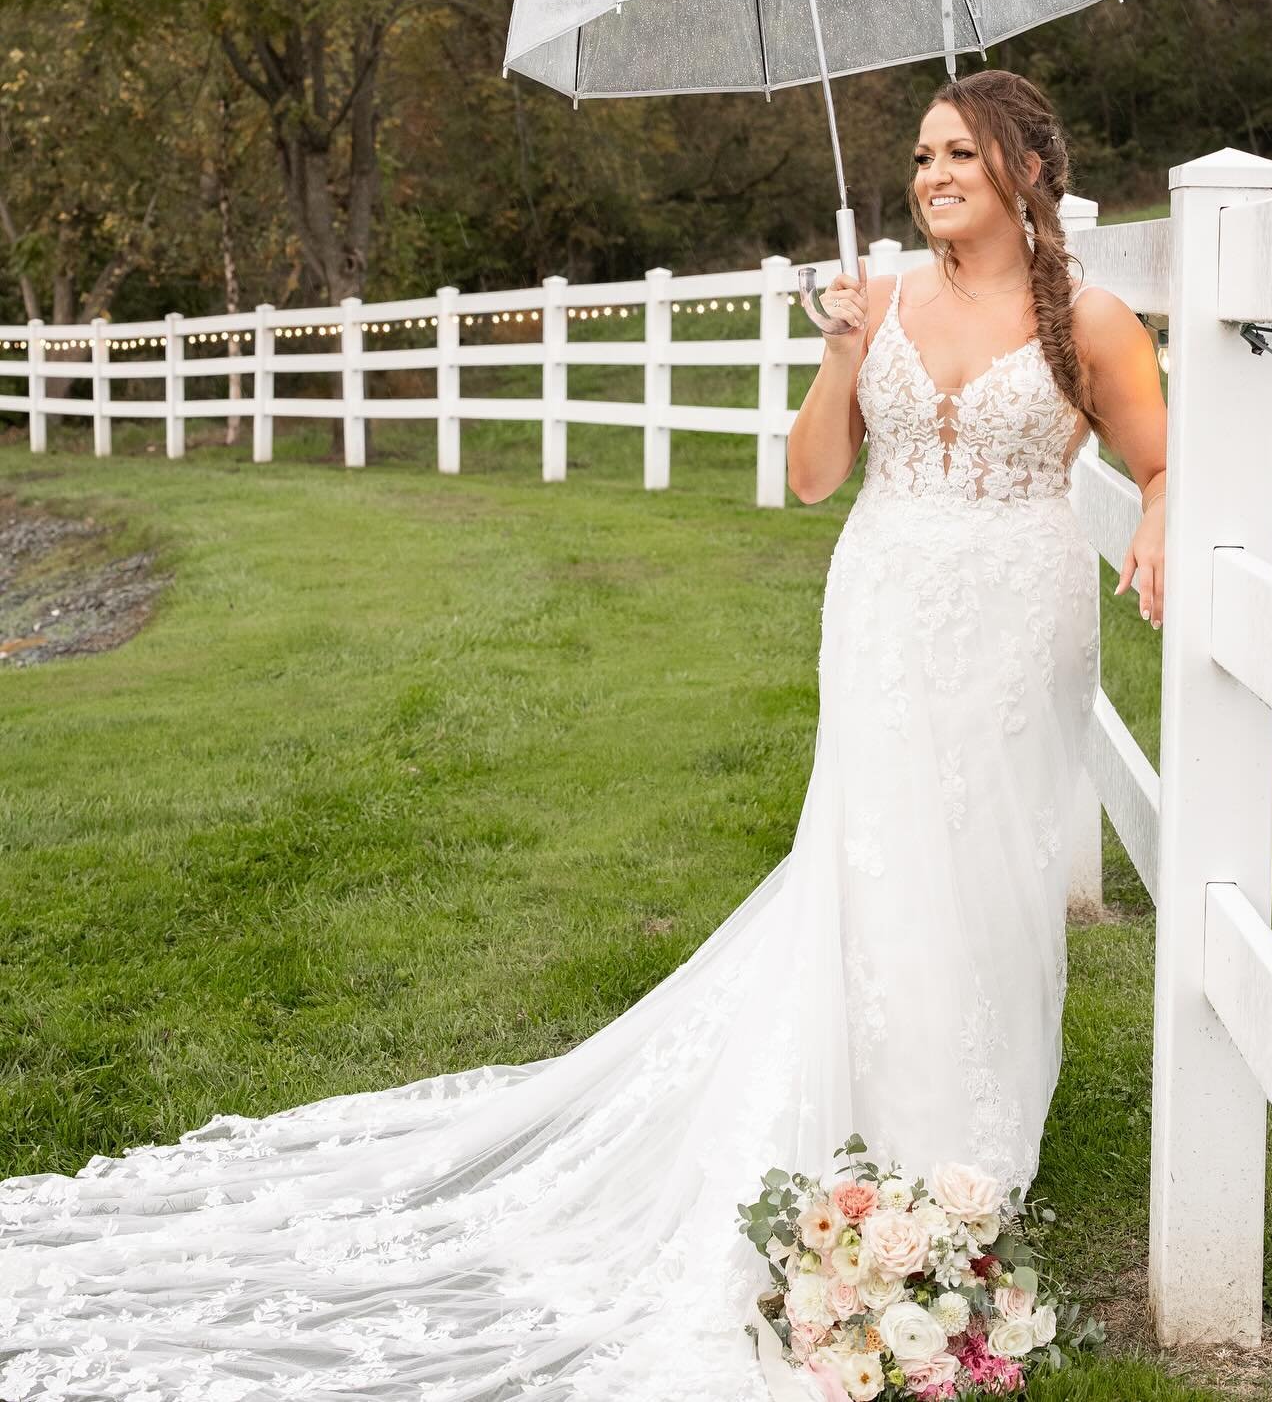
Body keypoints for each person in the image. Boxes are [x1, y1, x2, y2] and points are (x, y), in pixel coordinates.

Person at [0, 70, 1166, 1402]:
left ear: (1026, 169)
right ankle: (887, 1161)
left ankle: (972, 1156)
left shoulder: (1097, 322)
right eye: (919, 153)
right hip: (888, 607)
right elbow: (810, 478)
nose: (931, 172)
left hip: (1021, 618)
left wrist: (1161, 514)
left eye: (960, 152)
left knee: (998, 873)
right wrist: (842, 347)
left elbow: (1160, 456)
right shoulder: (880, 303)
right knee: (884, 858)